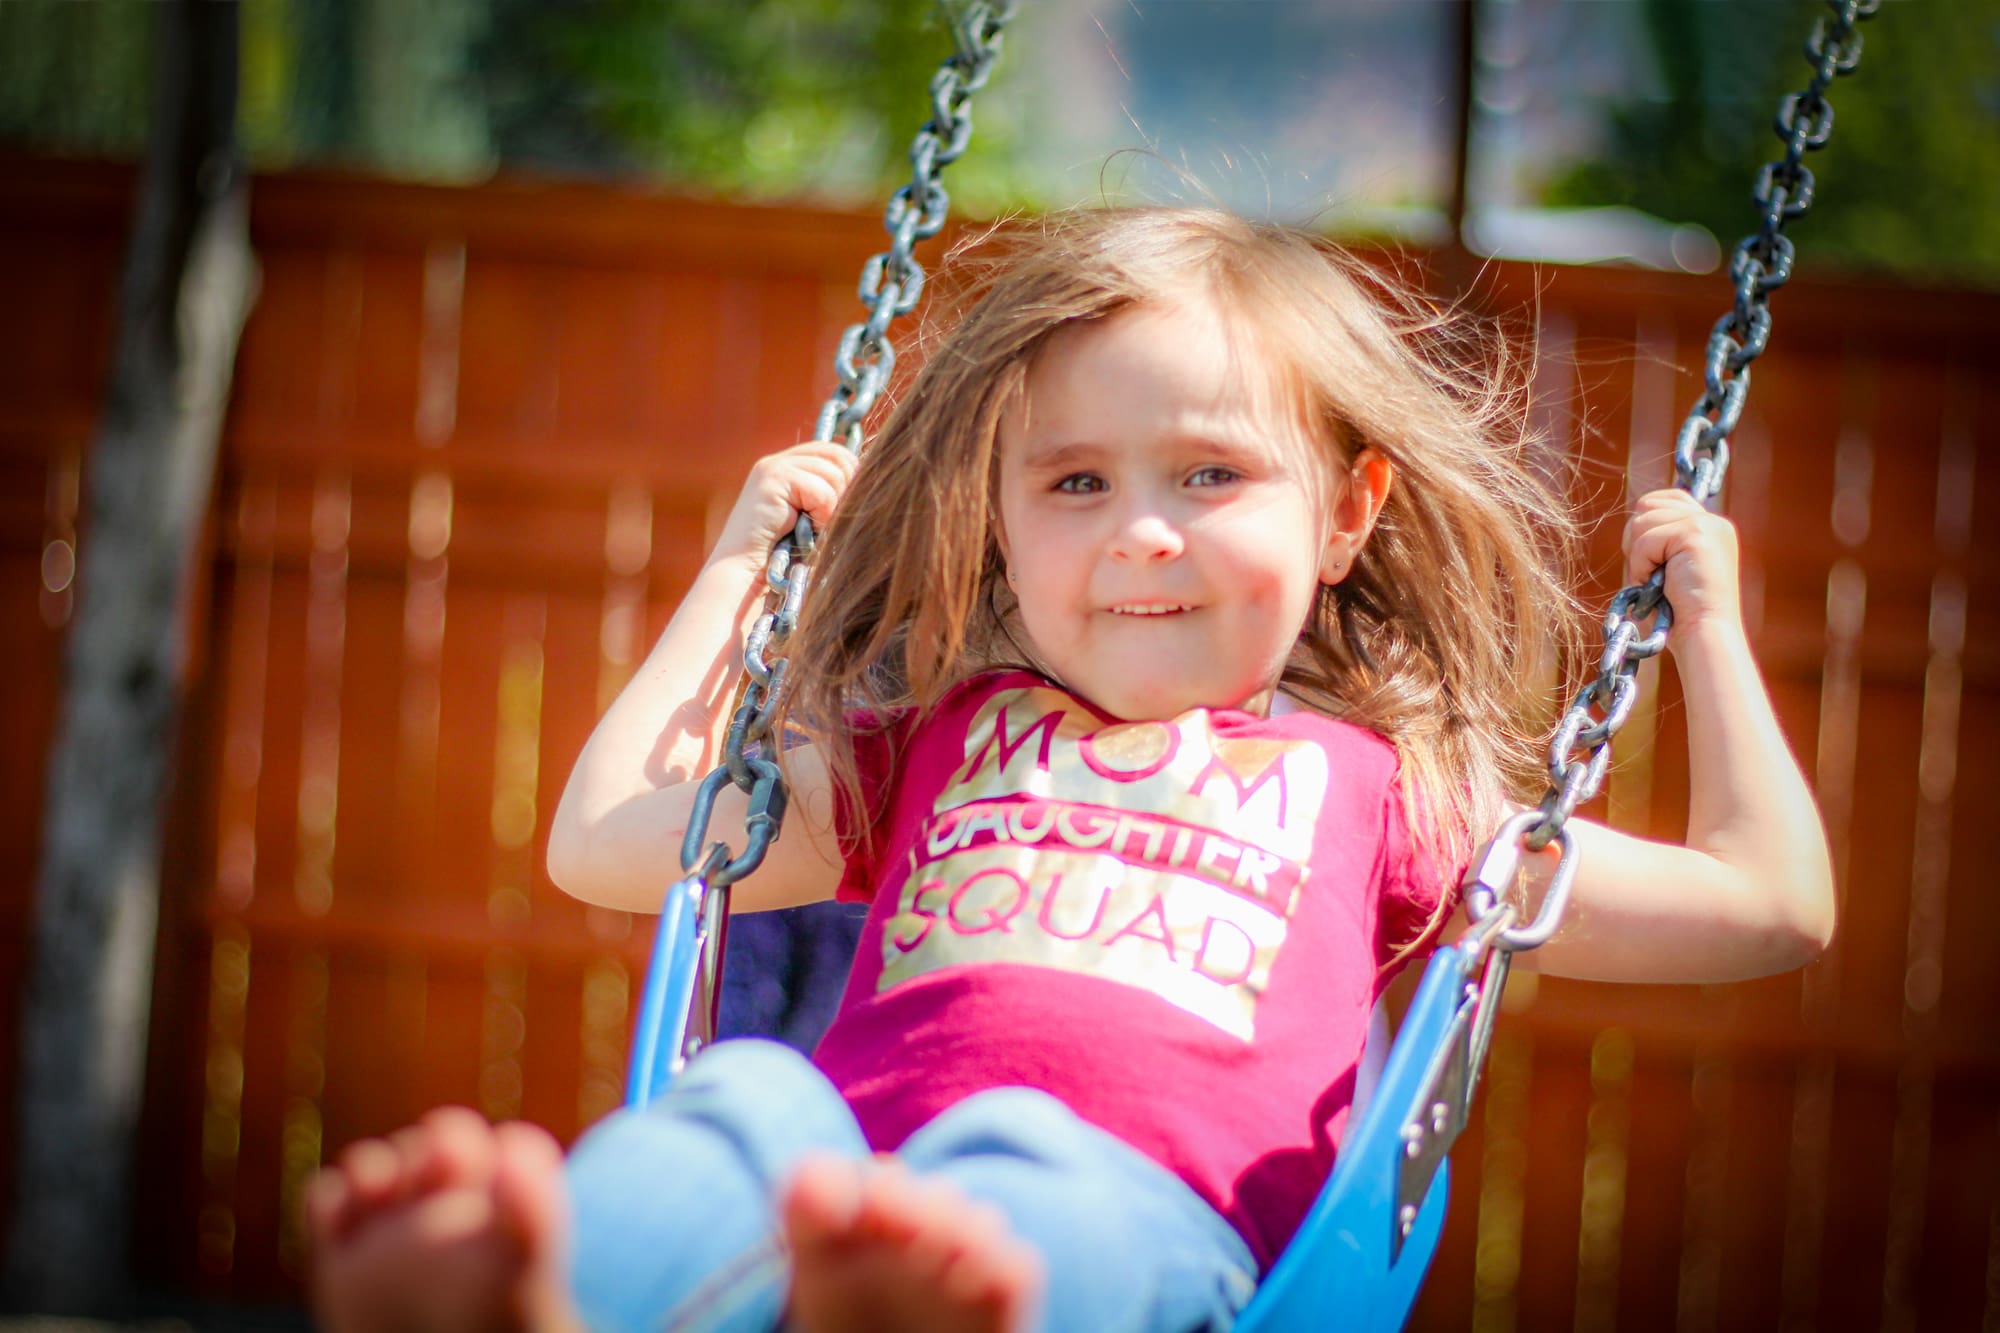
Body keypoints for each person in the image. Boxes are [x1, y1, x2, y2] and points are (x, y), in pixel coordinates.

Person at [304, 209, 1835, 1333]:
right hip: (836, 1197)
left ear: (1348, 513)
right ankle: (549, 1299)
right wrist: (737, 572)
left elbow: (1769, 902)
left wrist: (1706, 626)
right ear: (1003, 520)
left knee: (1022, 1158)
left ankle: (923, 1312)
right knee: (746, 1101)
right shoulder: (931, 743)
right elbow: (613, 842)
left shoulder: (1387, 792)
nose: (1140, 529)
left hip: (1151, 1242)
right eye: (1078, 481)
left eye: (1210, 474)